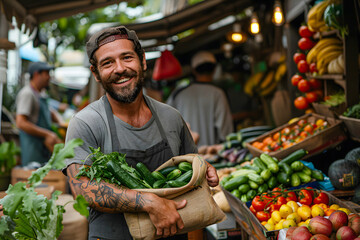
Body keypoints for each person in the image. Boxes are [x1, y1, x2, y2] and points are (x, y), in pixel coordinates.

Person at [63, 26, 219, 240]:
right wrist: (148, 202)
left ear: (142, 61)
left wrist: (200, 167)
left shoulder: (171, 118)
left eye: (127, 57)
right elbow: (83, 188)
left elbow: (193, 192)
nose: (120, 69)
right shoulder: (86, 123)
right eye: (107, 63)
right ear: (96, 73)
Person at [166, 51, 234, 147]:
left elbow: (166, 124)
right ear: (214, 70)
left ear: (194, 70)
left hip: (185, 157)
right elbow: (225, 131)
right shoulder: (218, 93)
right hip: (211, 154)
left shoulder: (178, 94)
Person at [16, 62, 64, 166]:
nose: (49, 77)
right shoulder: (27, 94)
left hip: (42, 149)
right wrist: (47, 134)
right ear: (37, 74)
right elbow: (21, 123)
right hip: (32, 149)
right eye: (47, 73)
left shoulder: (40, 94)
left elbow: (50, 111)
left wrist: (61, 122)